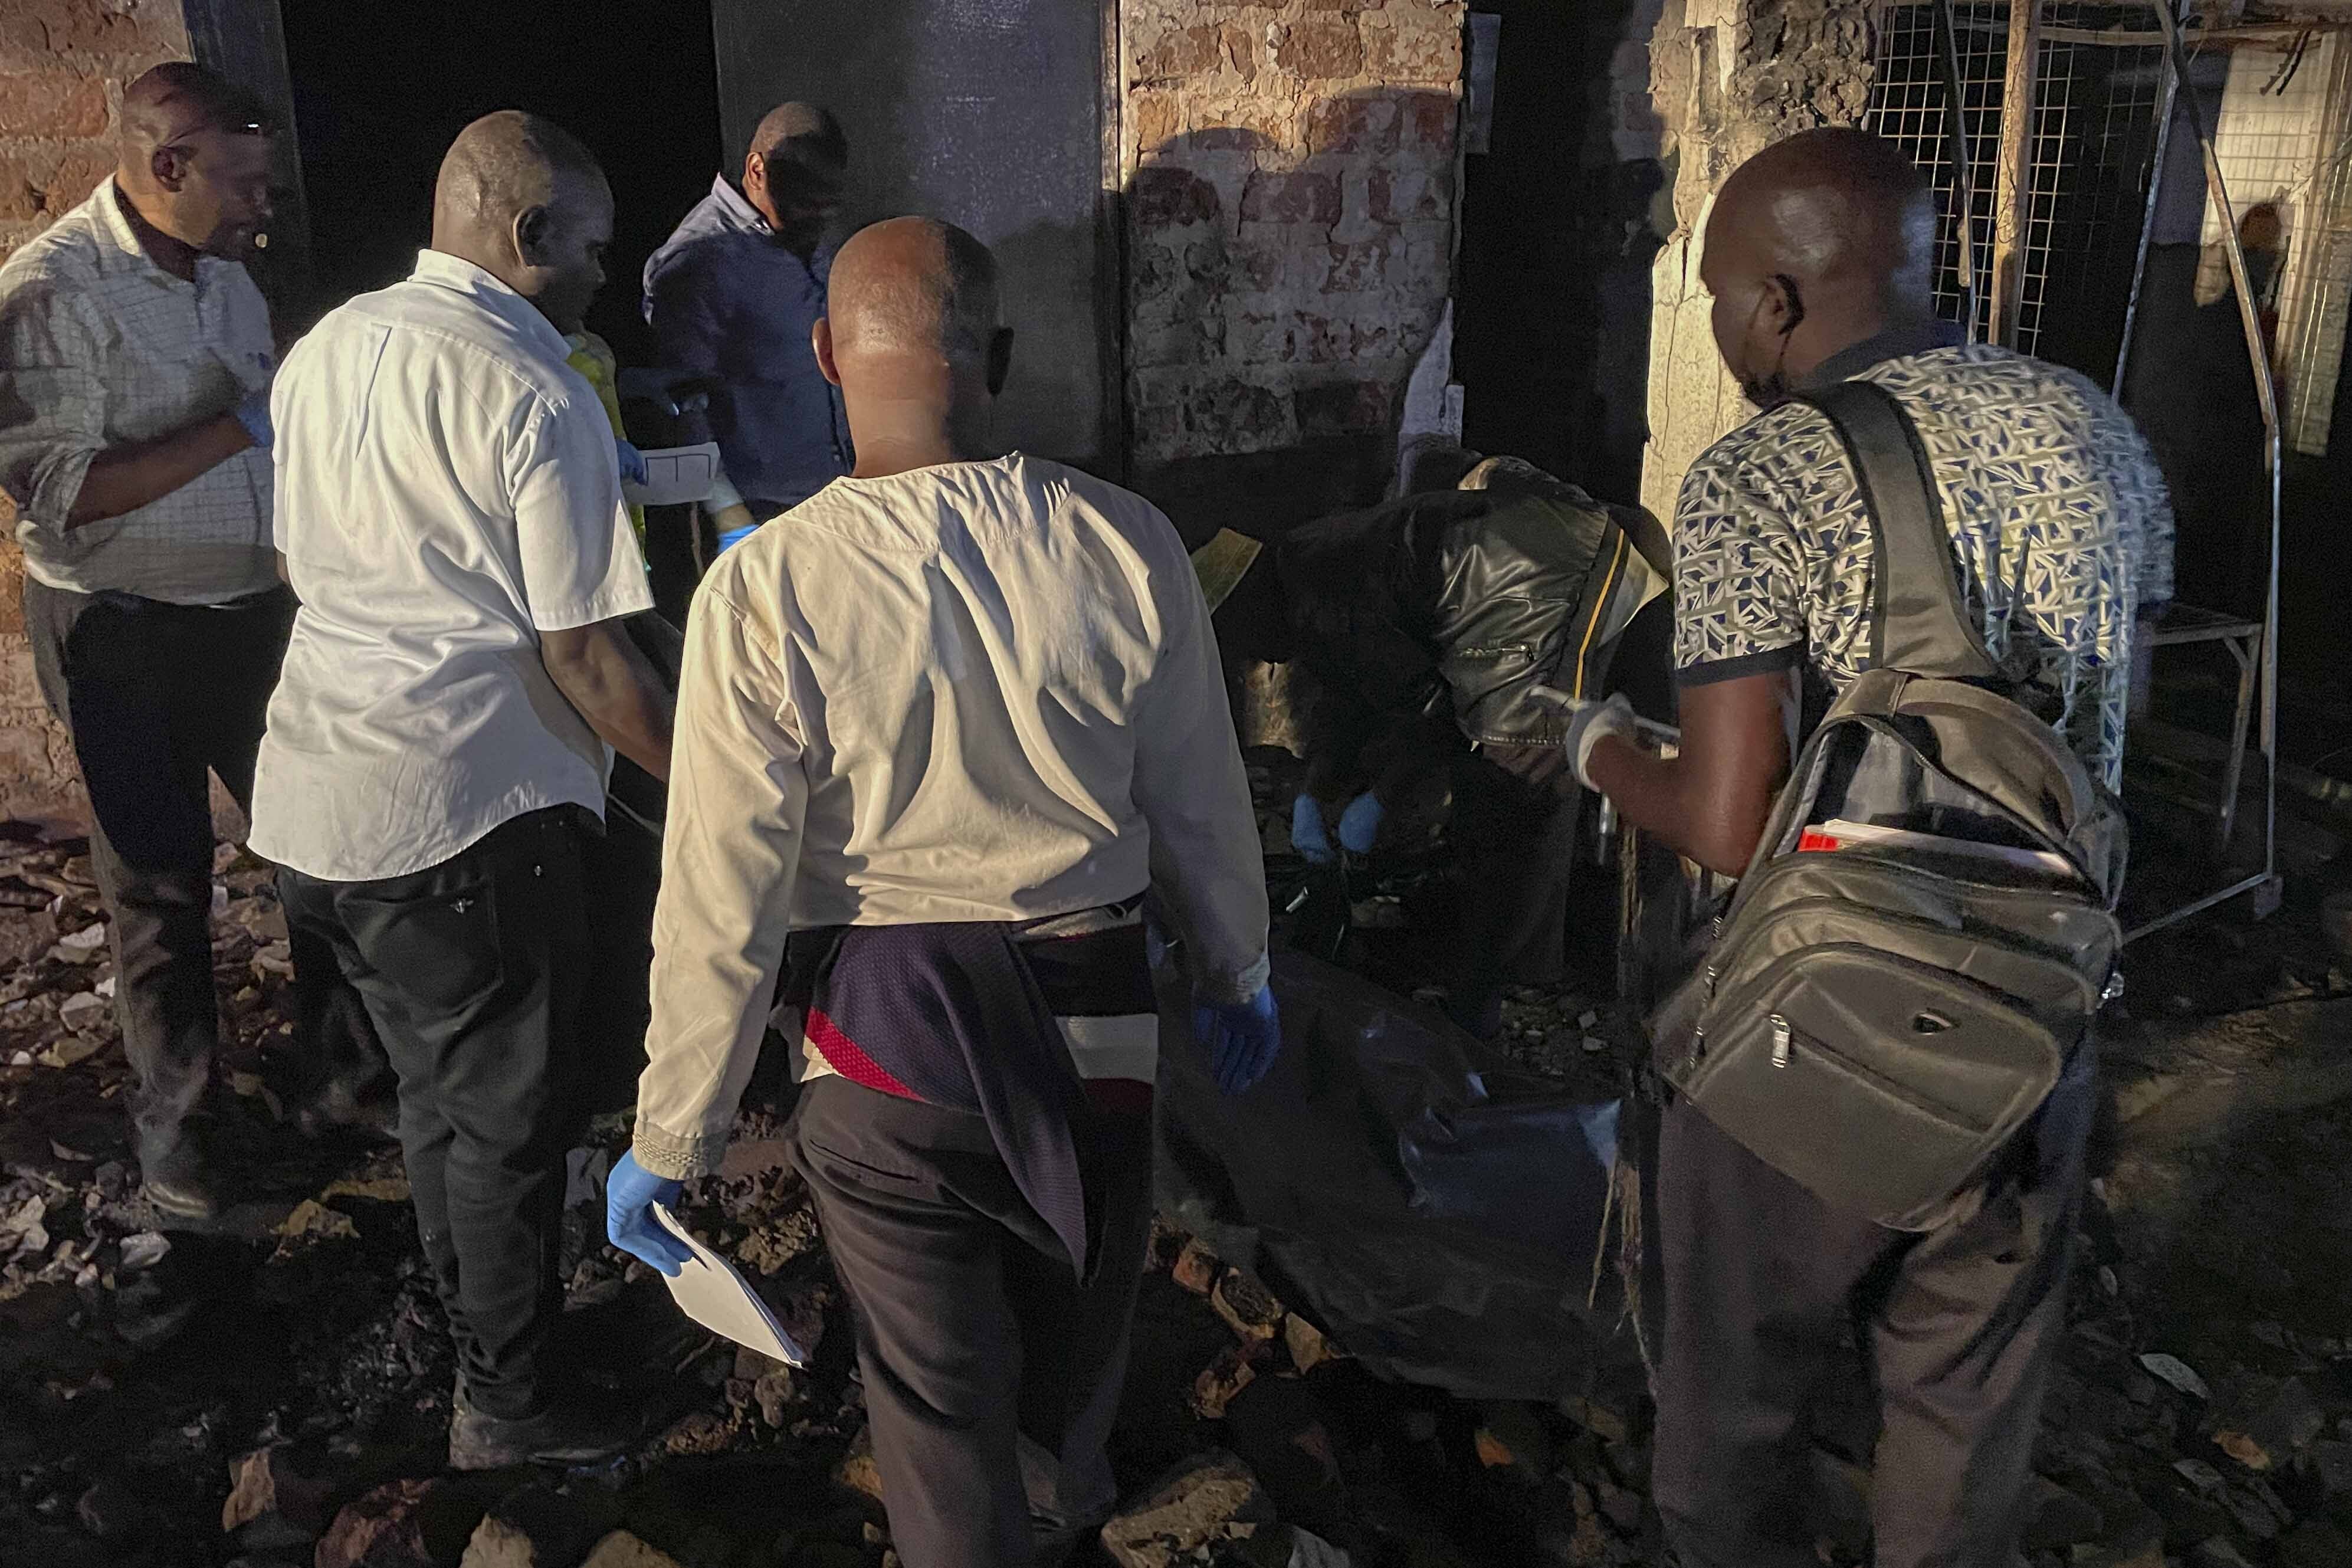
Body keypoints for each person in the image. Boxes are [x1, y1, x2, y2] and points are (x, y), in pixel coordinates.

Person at [605, 217, 1276, 1566]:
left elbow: (721, 897)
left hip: (886, 1046)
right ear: (1001, 356)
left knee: (933, 1396)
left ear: (820, 357)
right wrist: (1236, 968)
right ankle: (1061, 1500)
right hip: (1099, 1019)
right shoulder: (1126, 542)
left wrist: (669, 1130)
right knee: (1072, 1323)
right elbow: (1203, 797)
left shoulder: (766, 585)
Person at [1549, 128, 2173, 1568]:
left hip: (1808, 1045)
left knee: (1730, 1424)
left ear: (1773, 297)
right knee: (1959, 1430)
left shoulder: (1761, 477)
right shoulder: (2096, 432)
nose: (1715, 324)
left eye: (1713, 293)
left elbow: (1721, 817)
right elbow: (2107, 722)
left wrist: (1592, 747)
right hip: (2034, 1016)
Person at [251, 110, 675, 1469]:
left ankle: (477, 1325)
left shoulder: (326, 348)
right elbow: (587, 654)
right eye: (595, 249)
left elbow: (310, 555)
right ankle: (512, 1407)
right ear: (528, 232)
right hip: (457, 815)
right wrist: (723, 794)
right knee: (502, 1124)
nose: (607, 278)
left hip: (320, 798)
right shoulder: (534, 386)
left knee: (439, 1101)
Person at [0, 62, 316, 1219]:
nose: (261, 208)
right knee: (159, 885)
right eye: (240, 186)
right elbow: (62, 495)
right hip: (120, 626)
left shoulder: (227, 272)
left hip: (246, 611)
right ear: (164, 167)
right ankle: (182, 1146)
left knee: (314, 847)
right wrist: (239, 426)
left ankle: (338, 1087)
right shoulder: (50, 292)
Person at [1206, 452, 1667, 1038]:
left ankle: (1495, 997)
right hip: (1548, 555)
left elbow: (1425, 709)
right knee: (1499, 775)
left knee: (1516, 775)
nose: (1260, 657)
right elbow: (1357, 695)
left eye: (1241, 635)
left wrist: (1379, 802)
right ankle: (1499, 972)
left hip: (1539, 585)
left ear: (1248, 603)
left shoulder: (1317, 602)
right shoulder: (1308, 560)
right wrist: (1320, 790)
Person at [642, 101, 852, 540]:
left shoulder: (807, 233)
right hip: (763, 515)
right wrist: (729, 516)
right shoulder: (699, 261)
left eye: (829, 205)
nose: (819, 218)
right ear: (757, 170)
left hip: (837, 498)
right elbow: (682, 403)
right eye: (806, 202)